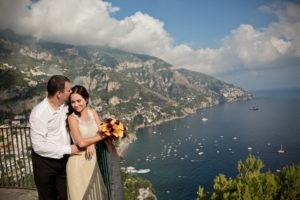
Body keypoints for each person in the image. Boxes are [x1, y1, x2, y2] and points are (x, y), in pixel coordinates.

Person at [29, 75, 81, 200]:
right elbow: (38, 146)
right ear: (59, 93)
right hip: (45, 164)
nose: (71, 92)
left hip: (63, 161)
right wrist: (69, 149)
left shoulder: (67, 105)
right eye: (68, 90)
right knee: (48, 197)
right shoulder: (39, 114)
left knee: (64, 196)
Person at [66, 85, 109, 200]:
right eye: (73, 102)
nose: (76, 104)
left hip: (92, 162)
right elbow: (80, 142)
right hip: (77, 163)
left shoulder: (93, 112)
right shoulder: (72, 118)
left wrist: (92, 143)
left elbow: (101, 131)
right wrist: (99, 138)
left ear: (86, 99)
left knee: (98, 195)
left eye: (79, 100)